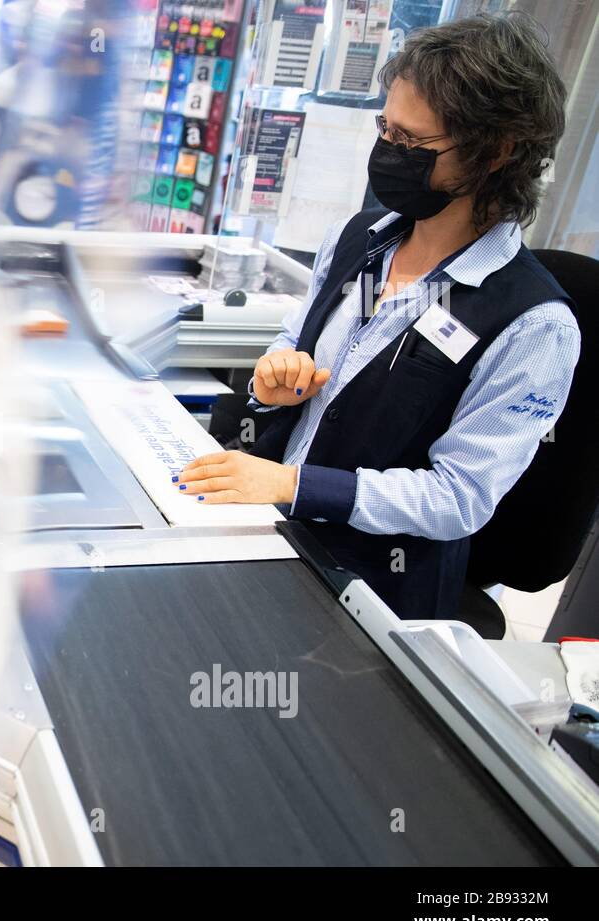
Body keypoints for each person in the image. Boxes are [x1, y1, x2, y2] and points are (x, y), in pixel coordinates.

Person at [173, 13, 580, 620]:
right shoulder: (365, 242)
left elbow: (459, 496)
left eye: (413, 143)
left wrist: (297, 486)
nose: (389, 152)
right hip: (263, 530)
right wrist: (273, 381)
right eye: (385, 129)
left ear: (497, 152)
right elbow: (316, 347)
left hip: (368, 591)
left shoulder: (532, 325)